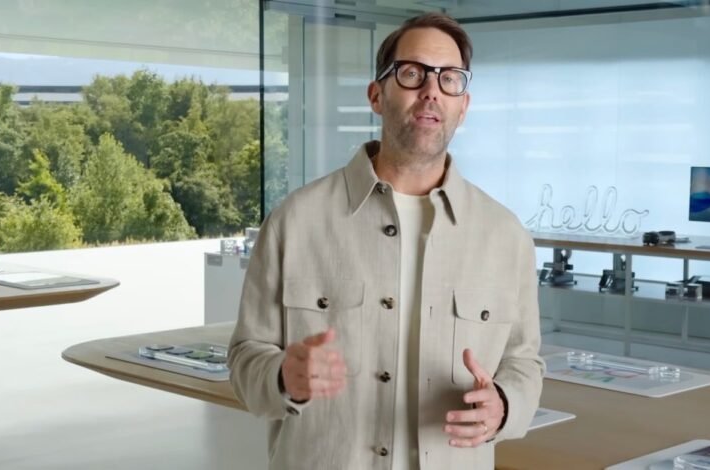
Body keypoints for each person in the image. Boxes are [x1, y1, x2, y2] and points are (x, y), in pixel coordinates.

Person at [228, 12, 544, 470]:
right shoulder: (295, 221)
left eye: (449, 79)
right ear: (377, 95)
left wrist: (504, 406)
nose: (432, 91)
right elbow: (244, 360)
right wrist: (281, 376)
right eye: (413, 74)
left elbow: (524, 362)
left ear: (463, 104)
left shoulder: (505, 235)